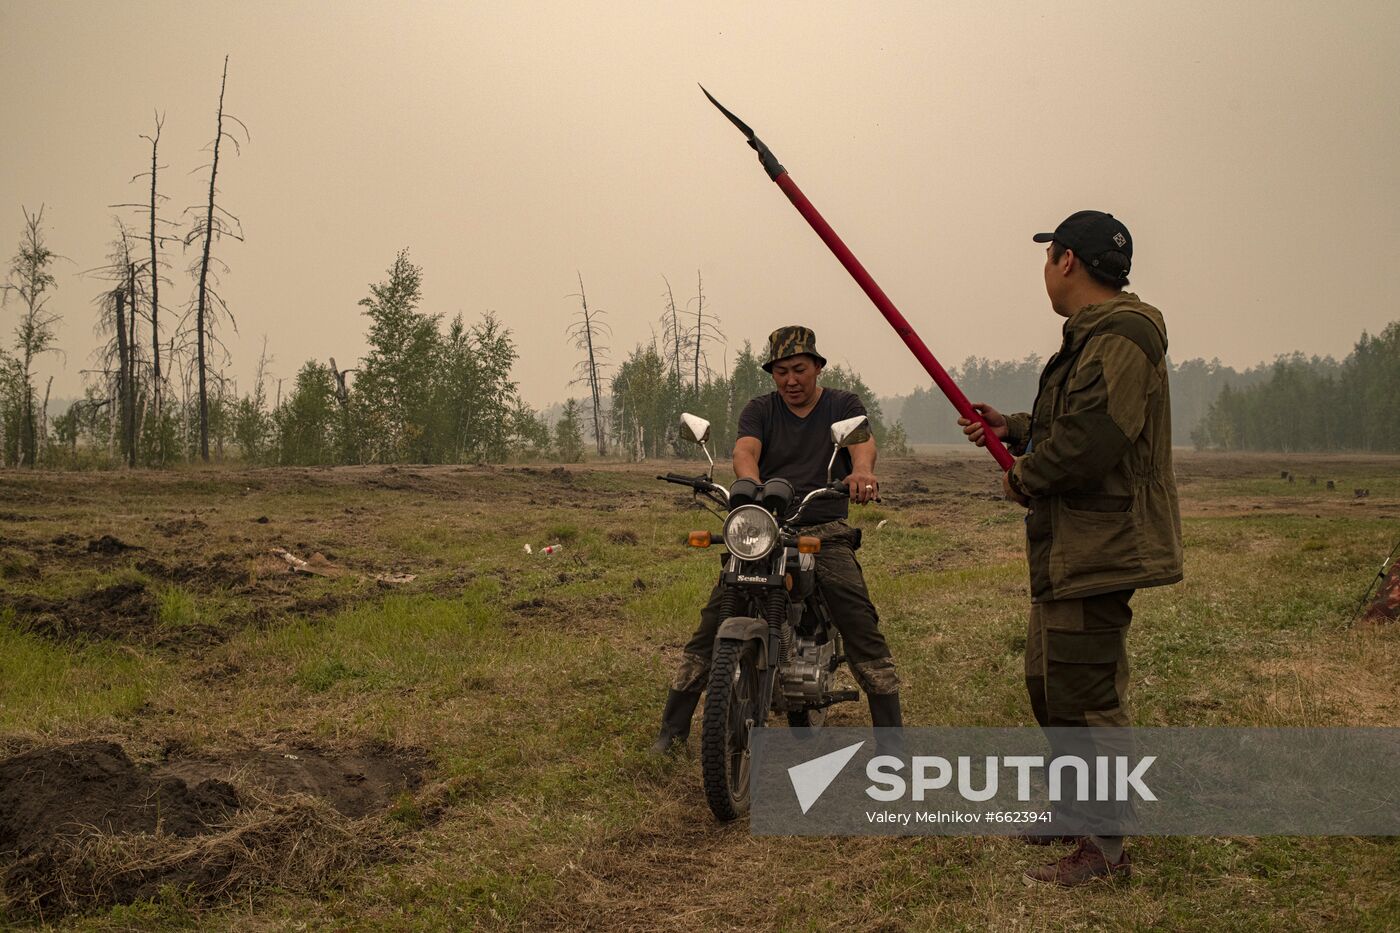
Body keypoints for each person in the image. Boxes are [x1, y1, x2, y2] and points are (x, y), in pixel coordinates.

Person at [959, 211, 1183, 886]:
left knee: (1087, 694)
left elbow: (1093, 440)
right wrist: (1019, 427)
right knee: (1049, 681)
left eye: (1048, 255)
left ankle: (1106, 845)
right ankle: (1073, 805)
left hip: (1100, 545)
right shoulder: (1094, 339)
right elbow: (1073, 423)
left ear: (1066, 262)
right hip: (1070, 546)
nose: (1045, 269)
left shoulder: (1121, 337)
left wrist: (1024, 473)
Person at [651, 325, 903, 753]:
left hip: (822, 525)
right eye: (781, 371)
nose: (790, 380)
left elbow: (863, 445)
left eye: (799, 369)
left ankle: (891, 741)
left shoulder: (842, 404)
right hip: (764, 525)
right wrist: (751, 487)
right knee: (714, 617)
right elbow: (745, 451)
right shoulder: (760, 409)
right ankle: (671, 732)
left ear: (818, 367)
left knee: (858, 619)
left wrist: (862, 472)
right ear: (772, 374)